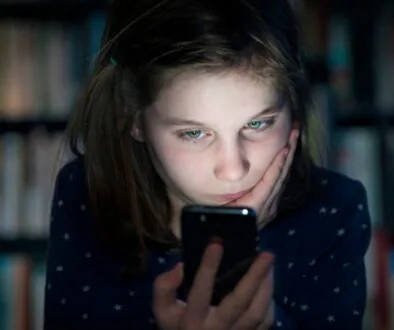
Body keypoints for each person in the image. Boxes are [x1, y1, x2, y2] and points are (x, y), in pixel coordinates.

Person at [43, 0, 372, 329]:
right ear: (134, 118)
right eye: (194, 133)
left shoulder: (334, 208)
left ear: (293, 109)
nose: (233, 170)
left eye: (258, 125)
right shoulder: (86, 195)